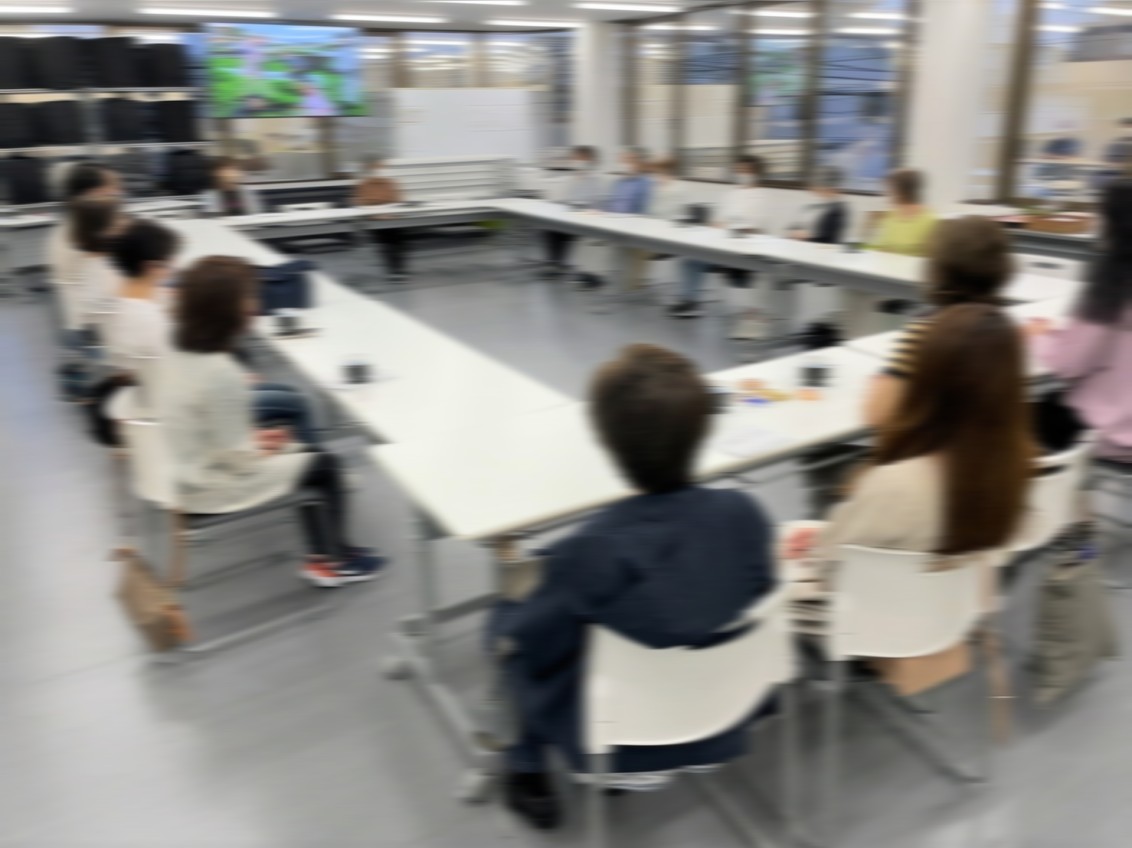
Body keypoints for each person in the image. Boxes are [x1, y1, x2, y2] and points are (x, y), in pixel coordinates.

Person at [487, 344, 776, 830]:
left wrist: (512, 577)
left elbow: (534, 645)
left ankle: (525, 764)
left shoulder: (587, 552)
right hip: (730, 714)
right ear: (704, 429)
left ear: (605, 442)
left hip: (620, 745)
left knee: (513, 633)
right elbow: (755, 601)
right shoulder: (743, 513)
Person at [784, 305, 1031, 690]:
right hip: (950, 613)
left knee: (768, 551)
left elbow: (828, 569)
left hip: (866, 619)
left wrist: (814, 545)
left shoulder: (897, 483)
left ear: (928, 380)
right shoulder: (1016, 467)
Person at [158, 256, 385, 587]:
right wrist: (262, 447)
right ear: (227, 311)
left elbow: (215, 432)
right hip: (210, 487)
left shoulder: (178, 349)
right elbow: (239, 459)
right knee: (324, 466)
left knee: (300, 451)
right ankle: (332, 560)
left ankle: (327, 552)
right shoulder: (220, 372)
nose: (255, 305)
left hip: (184, 471)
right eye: (248, 297)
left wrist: (258, 441)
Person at [107, 219, 319, 444]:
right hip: (191, 409)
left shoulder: (126, 303)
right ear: (151, 267)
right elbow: (182, 372)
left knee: (281, 390)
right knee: (296, 402)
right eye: (169, 261)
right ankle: (313, 460)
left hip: (159, 400)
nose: (174, 267)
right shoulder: (149, 320)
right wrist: (235, 381)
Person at [862, 216, 1013, 429]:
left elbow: (877, 414)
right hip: (988, 446)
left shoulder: (924, 332)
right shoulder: (1005, 330)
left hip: (934, 447)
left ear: (935, 271)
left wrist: (881, 381)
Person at [1034, 180, 1132, 462]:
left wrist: (1037, 336)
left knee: (1021, 411)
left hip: (1106, 435)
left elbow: (1067, 364)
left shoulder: (1113, 287)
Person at [669, 154, 770, 331]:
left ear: (756, 173)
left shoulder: (762, 196)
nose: (741, 174)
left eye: (745, 171)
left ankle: (749, 315)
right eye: (738, 170)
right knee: (690, 260)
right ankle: (690, 302)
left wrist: (730, 225)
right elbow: (719, 220)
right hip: (720, 244)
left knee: (697, 260)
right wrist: (716, 224)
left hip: (742, 250)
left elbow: (755, 226)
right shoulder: (732, 193)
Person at [49, 164, 122, 340]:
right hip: (94, 320)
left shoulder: (77, 225)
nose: (114, 192)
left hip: (92, 308)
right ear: (91, 194)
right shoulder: (83, 235)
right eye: (107, 189)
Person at [575, 147, 653, 291]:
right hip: (612, 219)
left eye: (627, 160)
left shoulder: (645, 182)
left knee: (602, 240)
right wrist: (599, 210)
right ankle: (587, 273)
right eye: (622, 160)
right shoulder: (619, 182)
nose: (624, 163)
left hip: (631, 223)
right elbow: (609, 201)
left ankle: (596, 275)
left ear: (638, 162)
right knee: (588, 234)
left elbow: (645, 209)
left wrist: (628, 219)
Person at [542, 145, 603, 275]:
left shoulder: (596, 179)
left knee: (560, 230)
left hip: (586, 217)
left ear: (590, 160)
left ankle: (559, 263)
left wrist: (580, 207)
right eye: (575, 158)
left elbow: (596, 202)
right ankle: (554, 262)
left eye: (579, 158)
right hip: (571, 214)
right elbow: (567, 198)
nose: (576, 161)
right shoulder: (573, 177)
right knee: (549, 227)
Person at [353, 155, 410, 282]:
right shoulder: (364, 185)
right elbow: (361, 203)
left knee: (399, 243)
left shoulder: (391, 183)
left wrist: (390, 212)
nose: (383, 170)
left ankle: (399, 269)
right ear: (371, 169)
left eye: (385, 167)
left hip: (393, 217)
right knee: (387, 243)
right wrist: (377, 213)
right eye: (380, 167)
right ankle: (394, 271)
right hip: (374, 219)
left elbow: (399, 200)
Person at [865, 168, 937, 257]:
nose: (887, 194)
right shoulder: (890, 216)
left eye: (890, 190)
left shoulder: (930, 219)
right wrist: (867, 229)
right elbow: (877, 249)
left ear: (901, 192)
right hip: (885, 264)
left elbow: (930, 254)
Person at [787, 165, 849, 245]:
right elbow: (797, 224)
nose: (814, 190)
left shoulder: (838, 209)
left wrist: (806, 236)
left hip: (819, 248)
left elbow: (828, 238)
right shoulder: (816, 204)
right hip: (803, 244)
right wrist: (797, 232)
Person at [647, 156, 688, 221]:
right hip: (653, 218)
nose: (655, 173)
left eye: (658, 170)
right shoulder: (654, 183)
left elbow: (680, 207)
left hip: (669, 219)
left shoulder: (678, 185)